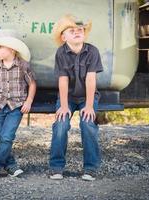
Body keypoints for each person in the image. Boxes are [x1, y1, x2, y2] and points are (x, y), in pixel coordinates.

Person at [49, 15, 103, 181]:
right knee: (61, 123)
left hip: (87, 96)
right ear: (63, 37)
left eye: (80, 30)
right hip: (68, 97)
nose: (77, 32)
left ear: (84, 34)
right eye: (72, 30)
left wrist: (89, 106)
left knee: (87, 123)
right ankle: (56, 167)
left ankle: (90, 168)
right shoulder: (61, 53)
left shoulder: (92, 51)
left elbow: (91, 79)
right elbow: (63, 80)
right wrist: (64, 106)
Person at [0, 29, 36, 179]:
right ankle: (11, 165)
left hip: (16, 107)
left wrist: (29, 101)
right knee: (1, 137)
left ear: (11, 49)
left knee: (7, 137)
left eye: (0, 47)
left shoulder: (23, 66)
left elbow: (32, 84)